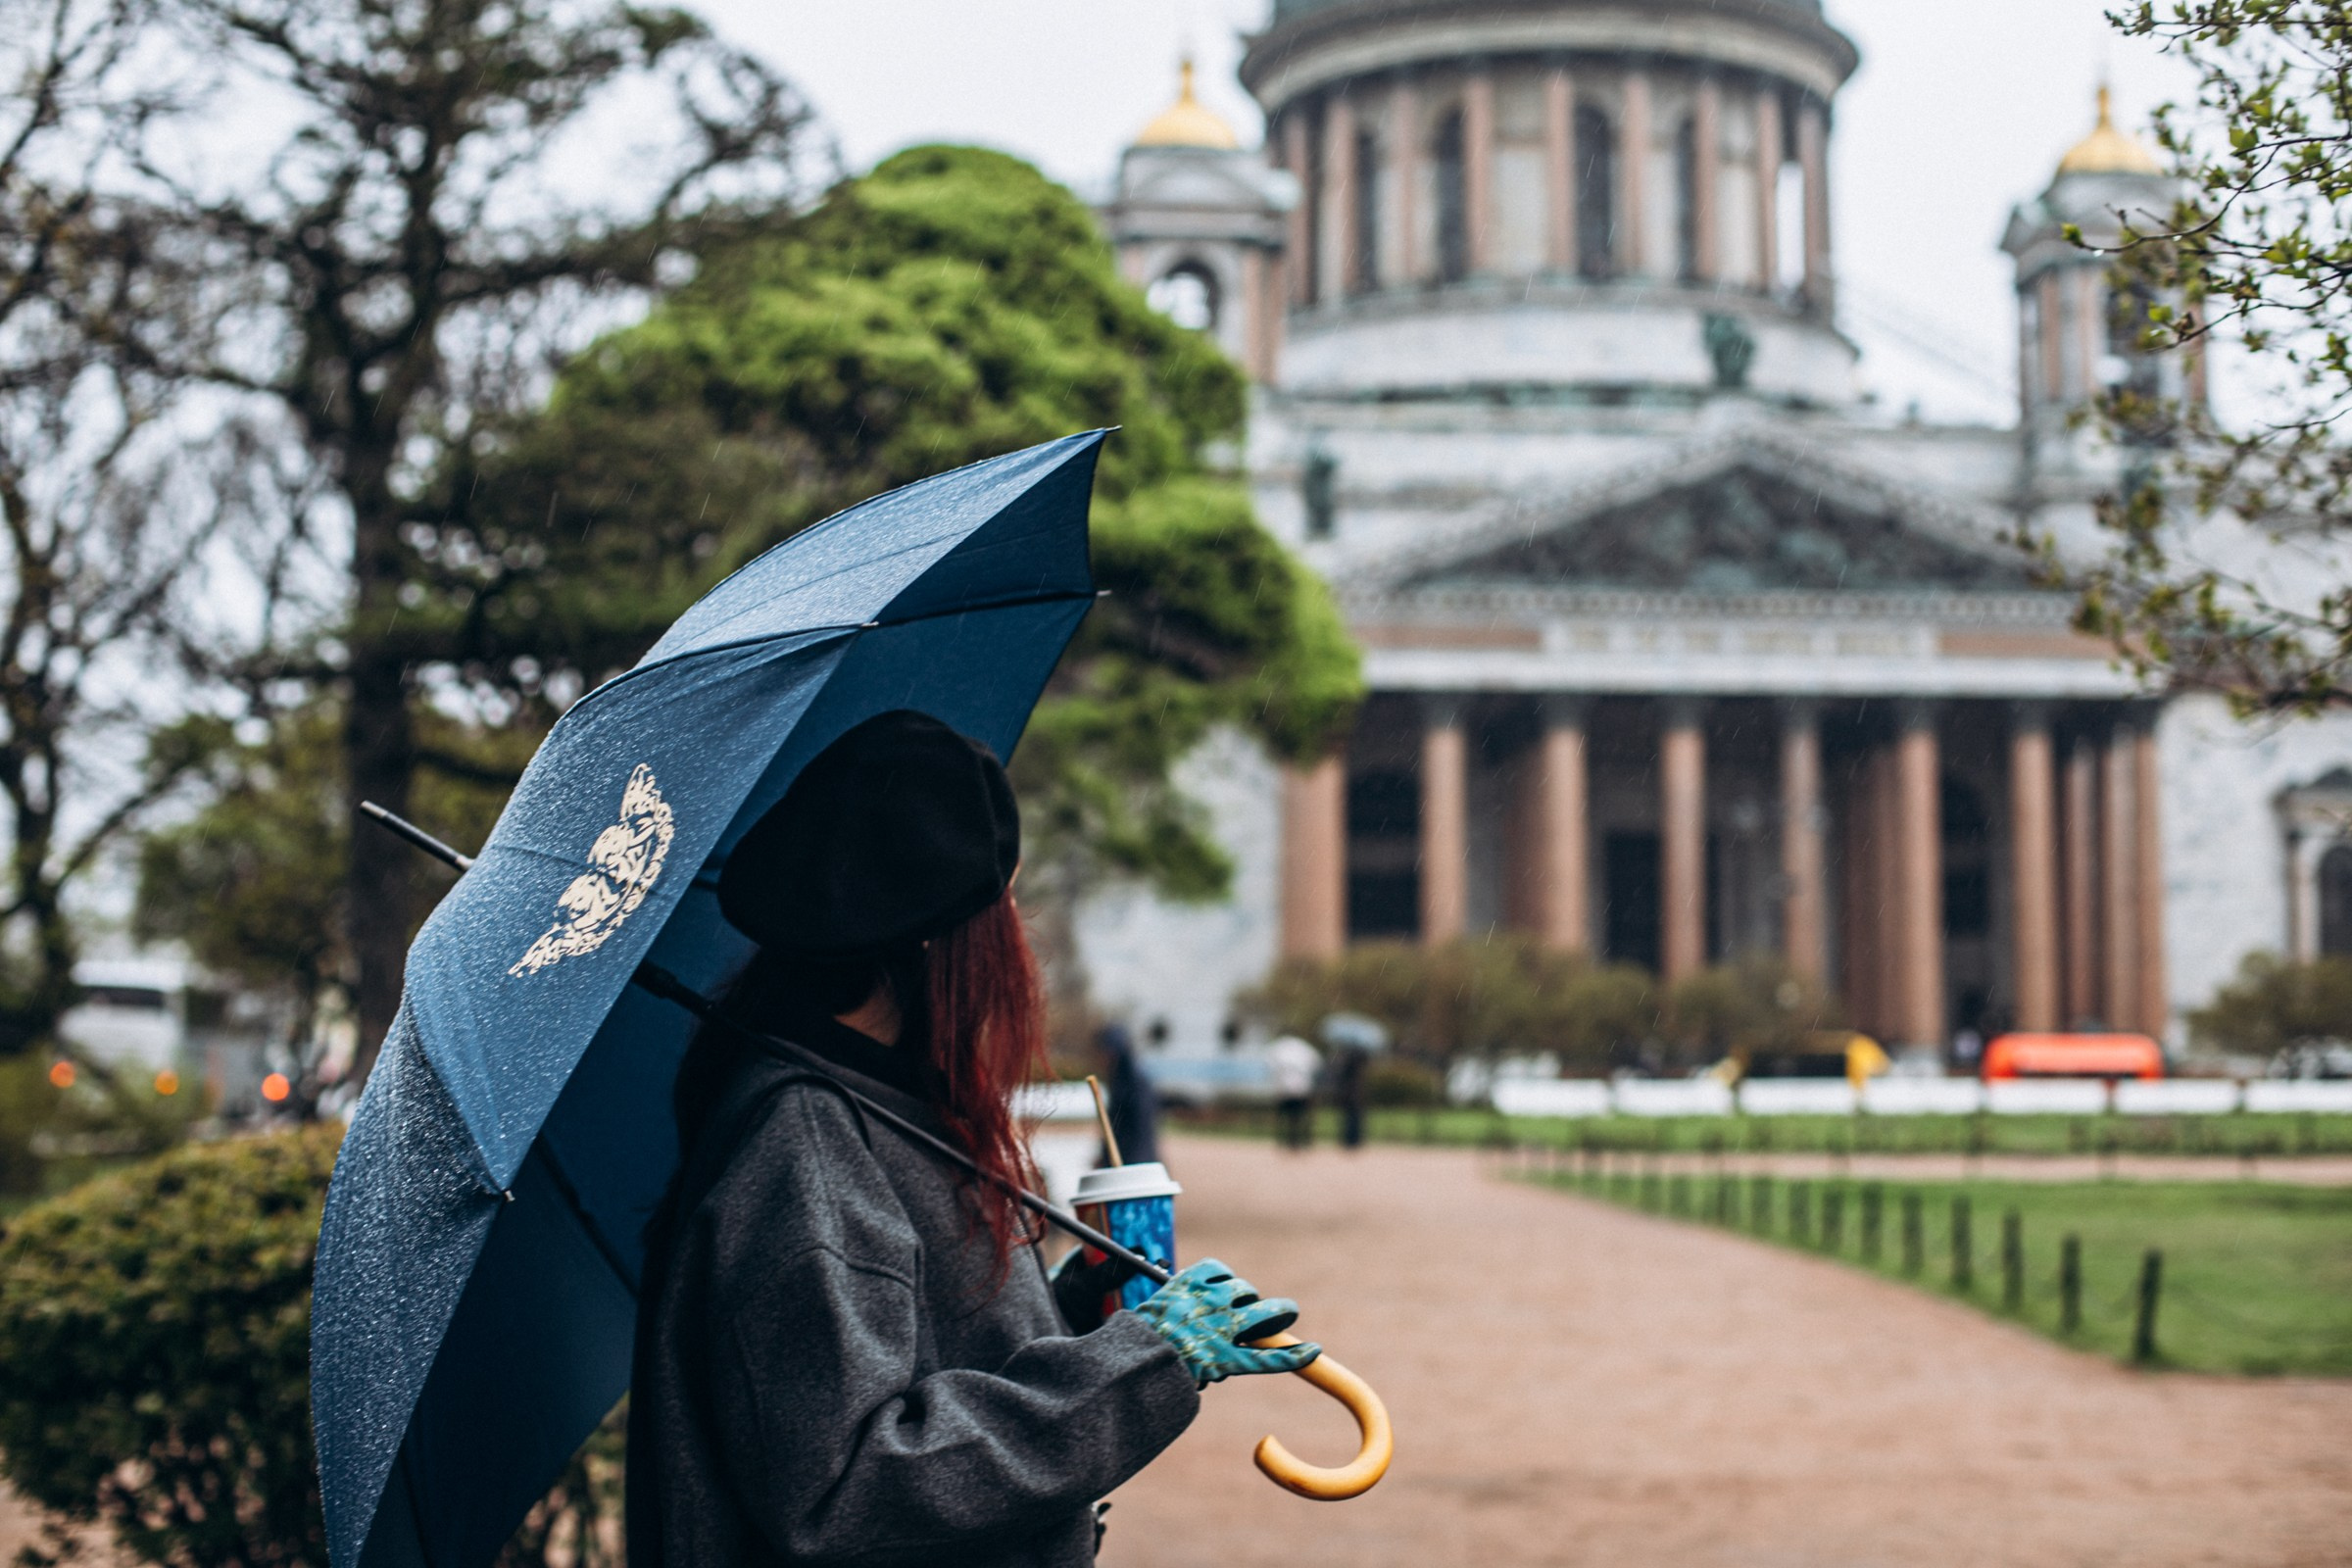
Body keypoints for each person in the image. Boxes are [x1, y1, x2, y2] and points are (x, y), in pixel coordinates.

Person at [628, 710, 1317, 1567]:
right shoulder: (806, 1144)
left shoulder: (871, 1103)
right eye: (1003, 906)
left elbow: (904, 1361)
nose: (1015, 940)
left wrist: (1072, 1314)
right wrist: (1140, 1365)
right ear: (935, 940)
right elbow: (847, 1492)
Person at [1097, 1020, 1160, 1167]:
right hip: (1121, 1161)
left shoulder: (1136, 1084)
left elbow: (1141, 1130)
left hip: (1136, 1163)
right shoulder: (1117, 1083)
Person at [1266, 1032, 1321, 1151]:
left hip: (1285, 1089)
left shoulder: (1279, 1050)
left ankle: (1286, 1140)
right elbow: (1316, 1065)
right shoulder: (1305, 1049)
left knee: (1285, 1117)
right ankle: (1303, 1140)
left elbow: (1271, 1067)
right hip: (1302, 1088)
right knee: (1300, 1117)